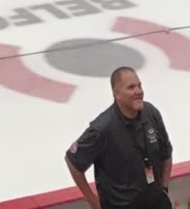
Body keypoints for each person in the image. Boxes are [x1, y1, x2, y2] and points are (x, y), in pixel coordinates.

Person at [65, 66, 173, 209]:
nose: (139, 91)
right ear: (116, 93)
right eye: (131, 87)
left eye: (139, 85)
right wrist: (93, 202)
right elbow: (73, 161)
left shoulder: (151, 113)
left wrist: (164, 188)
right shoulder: (102, 128)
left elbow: (166, 154)